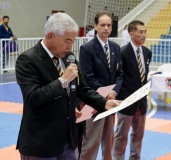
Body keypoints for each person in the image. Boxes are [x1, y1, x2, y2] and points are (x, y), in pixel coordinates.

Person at [15, 12, 120, 160]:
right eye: (67, 41)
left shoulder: (68, 57)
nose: (70, 46)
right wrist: (63, 80)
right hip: (40, 140)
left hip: (68, 139)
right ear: (50, 35)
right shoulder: (27, 59)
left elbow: (81, 88)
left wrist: (104, 102)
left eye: (72, 41)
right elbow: (33, 97)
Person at [79, 11, 123, 160]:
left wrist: (114, 92)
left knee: (108, 140)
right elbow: (87, 77)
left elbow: (120, 74)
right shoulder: (87, 48)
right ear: (96, 26)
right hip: (93, 101)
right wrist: (107, 92)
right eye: (102, 25)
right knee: (91, 141)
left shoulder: (116, 48)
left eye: (109, 25)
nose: (106, 28)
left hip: (111, 100)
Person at [112, 20, 152, 160]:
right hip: (126, 99)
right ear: (131, 34)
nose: (144, 35)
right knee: (121, 136)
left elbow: (143, 76)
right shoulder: (122, 52)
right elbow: (118, 77)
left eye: (145, 32)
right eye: (141, 32)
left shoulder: (147, 52)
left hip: (142, 101)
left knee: (138, 135)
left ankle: (135, 157)